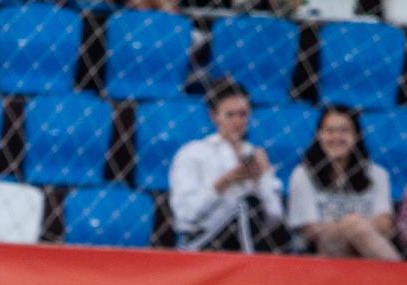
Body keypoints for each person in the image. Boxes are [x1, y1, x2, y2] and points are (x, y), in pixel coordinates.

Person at [169, 79, 289, 253]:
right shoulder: (193, 153)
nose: (237, 121)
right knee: (245, 207)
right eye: (230, 115)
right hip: (200, 243)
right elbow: (185, 215)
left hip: (247, 238)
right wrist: (223, 182)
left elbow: (275, 216)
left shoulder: (254, 155)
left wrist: (263, 177)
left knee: (250, 207)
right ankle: (253, 265)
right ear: (214, 116)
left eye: (243, 114)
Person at [287, 106, 401, 262]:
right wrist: (349, 226)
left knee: (354, 225)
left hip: (366, 251)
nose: (337, 137)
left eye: (344, 131)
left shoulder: (378, 174)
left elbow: (385, 224)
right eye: (330, 131)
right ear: (319, 135)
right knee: (351, 225)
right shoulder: (302, 174)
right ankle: (398, 273)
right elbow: (309, 230)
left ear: (356, 136)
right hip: (322, 252)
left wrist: (356, 228)